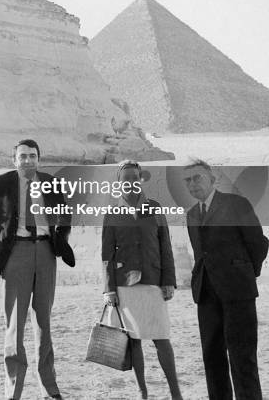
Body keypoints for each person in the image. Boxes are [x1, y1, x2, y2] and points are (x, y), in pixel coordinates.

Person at [0, 138, 74, 400]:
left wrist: (60, 237)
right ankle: (13, 391)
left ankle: (49, 390)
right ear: (14, 160)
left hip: (46, 253)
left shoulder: (51, 182)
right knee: (15, 323)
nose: (27, 160)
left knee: (44, 323)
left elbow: (65, 214)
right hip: (16, 254)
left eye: (32, 156)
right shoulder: (3, 182)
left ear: (39, 159)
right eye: (23, 156)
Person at [183, 159, 269, 400]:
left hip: (238, 293)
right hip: (206, 295)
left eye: (197, 178)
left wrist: (243, 272)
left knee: (242, 358)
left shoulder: (235, 204)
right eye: (187, 181)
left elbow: (258, 243)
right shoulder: (191, 215)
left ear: (212, 179)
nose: (192, 184)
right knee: (212, 358)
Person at [102, 160, 183, 400]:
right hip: (125, 285)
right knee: (134, 340)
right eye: (125, 179)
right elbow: (107, 254)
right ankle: (142, 391)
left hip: (153, 280)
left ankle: (175, 392)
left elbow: (165, 246)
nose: (130, 183)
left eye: (134, 178)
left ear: (140, 180)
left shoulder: (156, 208)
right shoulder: (112, 212)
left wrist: (169, 281)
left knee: (161, 338)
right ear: (119, 183)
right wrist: (109, 290)